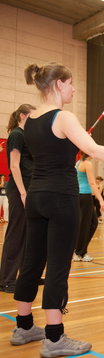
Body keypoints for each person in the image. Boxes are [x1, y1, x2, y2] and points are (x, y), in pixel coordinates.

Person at [11, 62, 104, 358]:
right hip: (61, 199)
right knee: (58, 267)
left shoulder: (30, 120)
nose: (74, 88)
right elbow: (95, 149)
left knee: (33, 260)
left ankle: (23, 326)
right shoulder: (63, 117)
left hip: (36, 197)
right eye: (71, 83)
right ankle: (54, 337)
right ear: (59, 84)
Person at [0, 104, 35, 293]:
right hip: (20, 188)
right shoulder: (17, 135)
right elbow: (14, 166)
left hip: (30, 187)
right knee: (16, 233)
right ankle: (6, 279)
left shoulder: (27, 136)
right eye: (32, 116)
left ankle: (27, 276)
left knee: (30, 235)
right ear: (22, 116)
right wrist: (23, 193)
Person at [73, 153, 104, 262]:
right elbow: (92, 183)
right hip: (84, 195)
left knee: (92, 223)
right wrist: (101, 200)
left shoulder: (78, 162)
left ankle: (80, 250)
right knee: (85, 225)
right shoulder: (87, 163)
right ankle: (79, 253)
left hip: (80, 195)